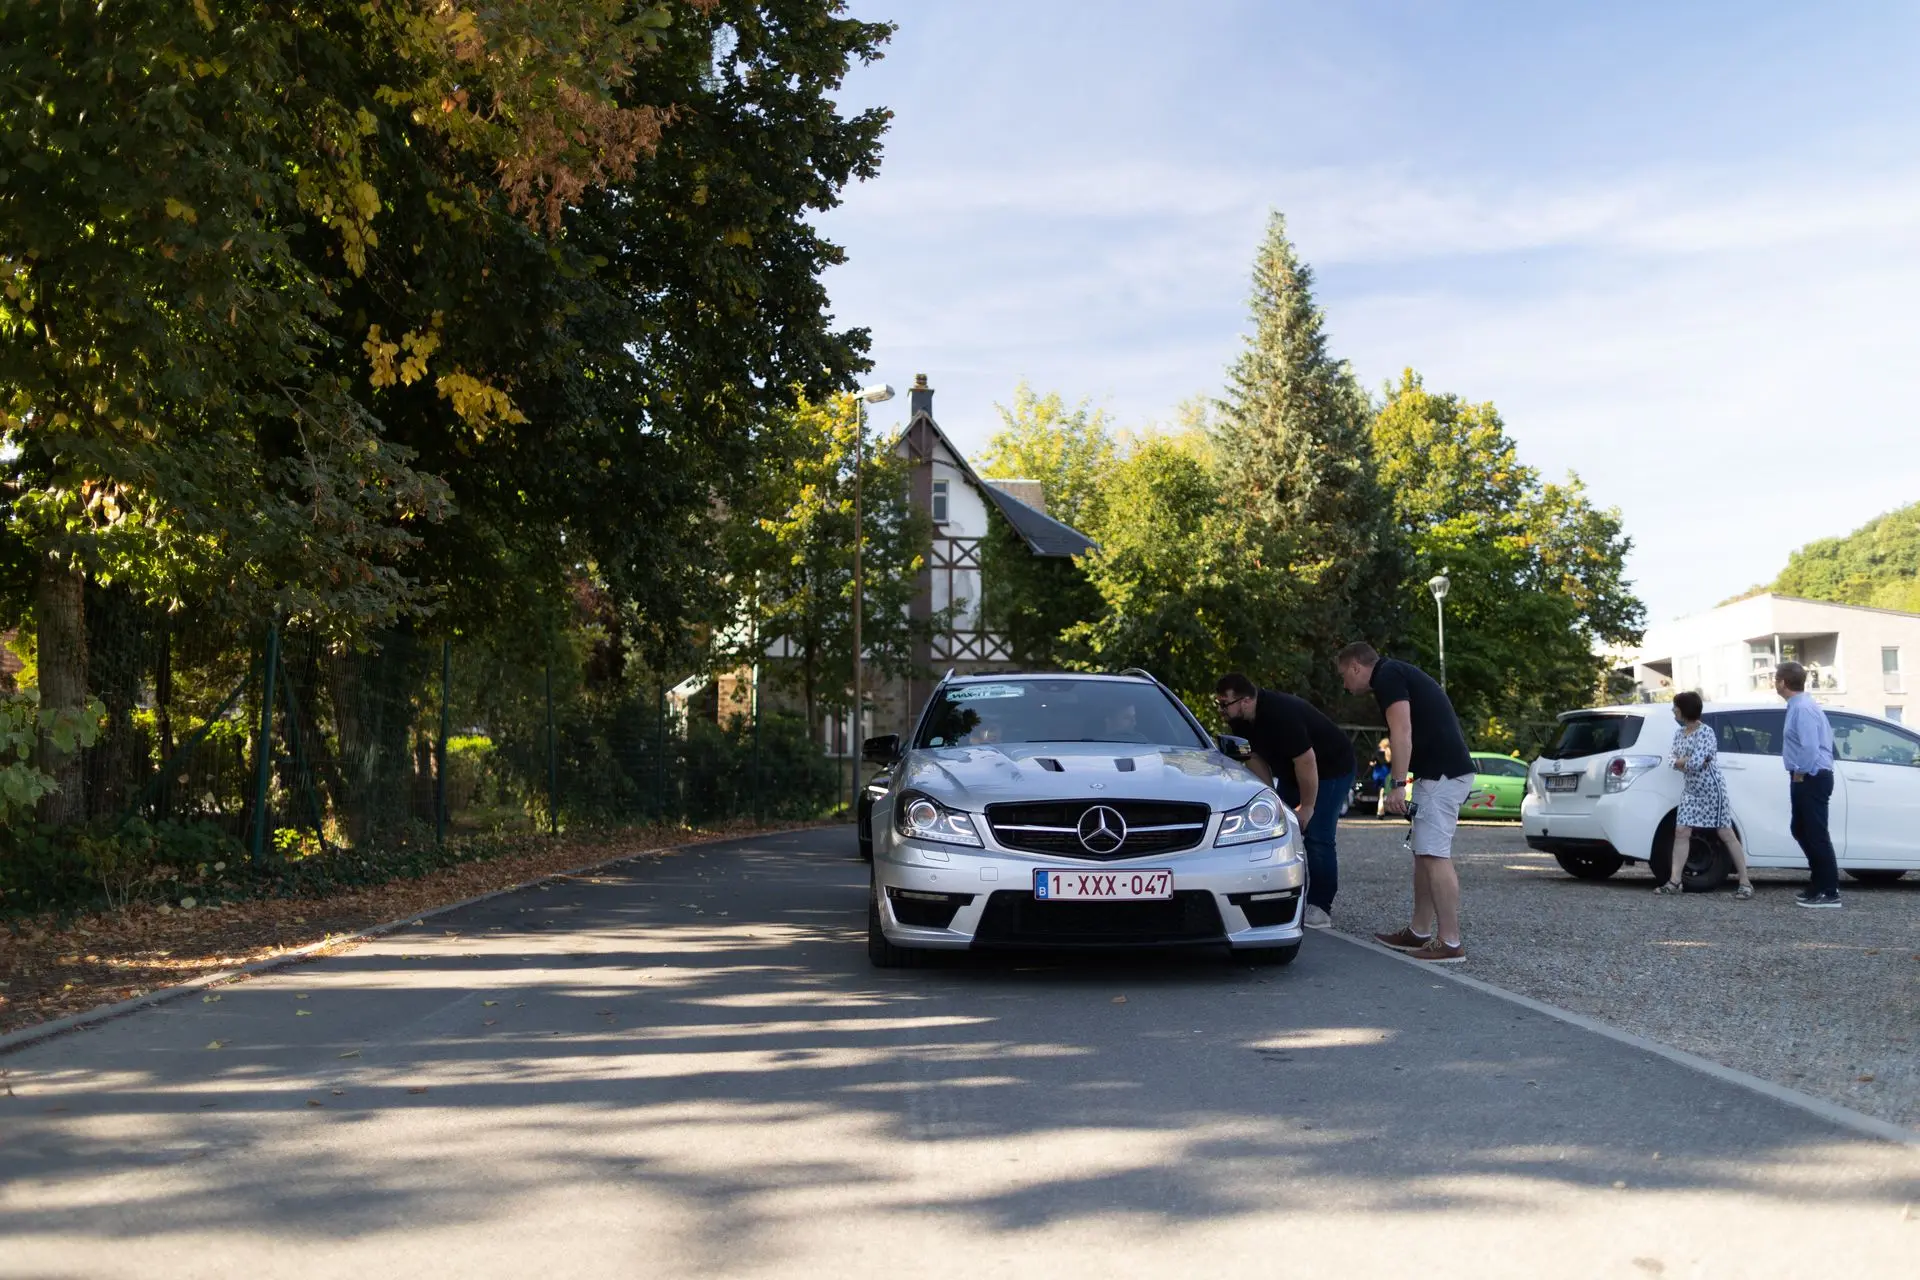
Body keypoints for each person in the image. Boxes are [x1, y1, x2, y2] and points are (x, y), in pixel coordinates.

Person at [1335, 642, 1474, 963]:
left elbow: (1401, 730)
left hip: (1442, 775)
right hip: (1438, 774)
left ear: (1356, 666)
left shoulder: (1387, 675)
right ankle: (1419, 930)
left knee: (1434, 855)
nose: (1345, 684)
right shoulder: (1394, 672)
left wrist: (1398, 785)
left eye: (1344, 675)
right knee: (1424, 855)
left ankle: (1450, 942)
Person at [1214, 672, 1356, 929]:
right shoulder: (1241, 721)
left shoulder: (1281, 713)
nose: (1221, 710)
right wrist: (1272, 800)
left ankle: (1321, 907)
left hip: (1332, 768)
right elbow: (1254, 758)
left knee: (1318, 835)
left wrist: (1308, 806)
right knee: (1285, 830)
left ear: (1245, 701)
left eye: (1225, 704)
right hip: (1293, 773)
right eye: (1219, 704)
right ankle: (1285, 896)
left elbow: (1306, 760)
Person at [1659, 691, 1753, 899]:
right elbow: (1671, 759)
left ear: (1685, 709)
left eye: (1676, 706)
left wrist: (1682, 761)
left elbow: (1695, 762)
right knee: (1681, 831)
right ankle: (1675, 880)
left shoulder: (1706, 732)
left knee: (1725, 832)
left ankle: (1745, 882)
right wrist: (1682, 761)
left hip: (1712, 789)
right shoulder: (1678, 733)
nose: (1674, 710)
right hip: (1691, 790)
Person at [1776, 661, 1841, 908]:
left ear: (1783, 682)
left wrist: (1800, 773)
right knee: (1801, 829)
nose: (1775, 683)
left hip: (1812, 775)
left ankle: (1830, 890)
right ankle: (1818, 883)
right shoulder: (1799, 705)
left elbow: (1810, 746)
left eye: (1776, 679)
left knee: (1815, 832)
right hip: (1807, 775)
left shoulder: (1802, 708)